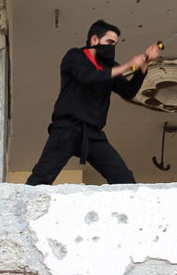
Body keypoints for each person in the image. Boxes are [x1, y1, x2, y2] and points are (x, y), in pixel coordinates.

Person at [26, 19, 159, 185]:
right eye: (109, 42)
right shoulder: (75, 56)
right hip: (66, 128)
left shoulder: (110, 66)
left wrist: (143, 67)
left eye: (115, 44)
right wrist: (127, 66)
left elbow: (128, 92)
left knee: (124, 179)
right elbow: (87, 77)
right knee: (41, 177)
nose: (112, 47)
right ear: (94, 40)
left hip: (93, 134)